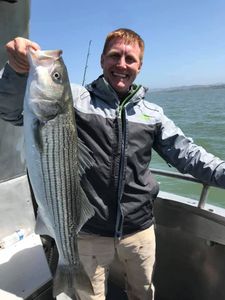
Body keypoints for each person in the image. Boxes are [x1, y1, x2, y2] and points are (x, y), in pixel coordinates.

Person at [0, 28, 225, 300]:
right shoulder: (75, 100)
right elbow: (11, 112)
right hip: (87, 234)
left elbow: (187, 153)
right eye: (114, 56)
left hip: (139, 231)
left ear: (139, 66)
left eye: (130, 59)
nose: (121, 64)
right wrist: (17, 70)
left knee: (142, 293)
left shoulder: (153, 115)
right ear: (102, 61)